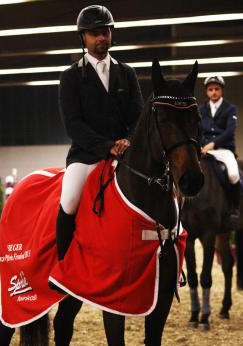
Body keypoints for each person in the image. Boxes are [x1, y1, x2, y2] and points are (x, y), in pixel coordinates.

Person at [56, 5, 143, 261]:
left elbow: (137, 116)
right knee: (70, 199)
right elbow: (73, 125)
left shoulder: (127, 73)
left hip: (125, 155)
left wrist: (129, 139)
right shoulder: (70, 77)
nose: (101, 37)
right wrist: (107, 146)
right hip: (85, 155)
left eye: (105, 31)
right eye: (94, 33)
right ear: (83, 37)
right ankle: (65, 262)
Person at [199, 76, 241, 225]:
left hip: (223, 150)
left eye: (216, 89)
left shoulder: (230, 108)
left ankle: (235, 207)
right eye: (210, 89)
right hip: (203, 149)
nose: (214, 92)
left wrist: (213, 144)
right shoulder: (201, 109)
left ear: (221, 90)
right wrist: (202, 145)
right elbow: (197, 129)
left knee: (234, 174)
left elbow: (230, 131)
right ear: (207, 92)